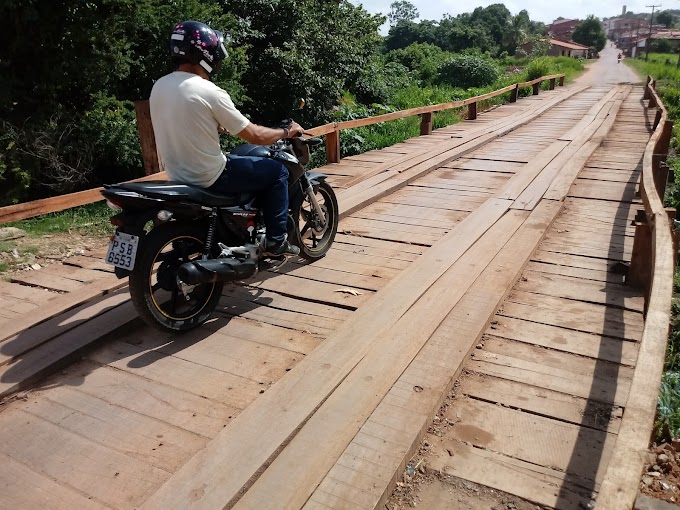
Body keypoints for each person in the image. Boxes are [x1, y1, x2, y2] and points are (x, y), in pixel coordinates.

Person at [150, 20, 304, 257]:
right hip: (211, 175)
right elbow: (255, 135)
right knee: (276, 172)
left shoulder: (160, 86)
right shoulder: (208, 90)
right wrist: (287, 131)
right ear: (206, 55)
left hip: (178, 174)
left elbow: (186, 120)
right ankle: (276, 240)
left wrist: (216, 125)